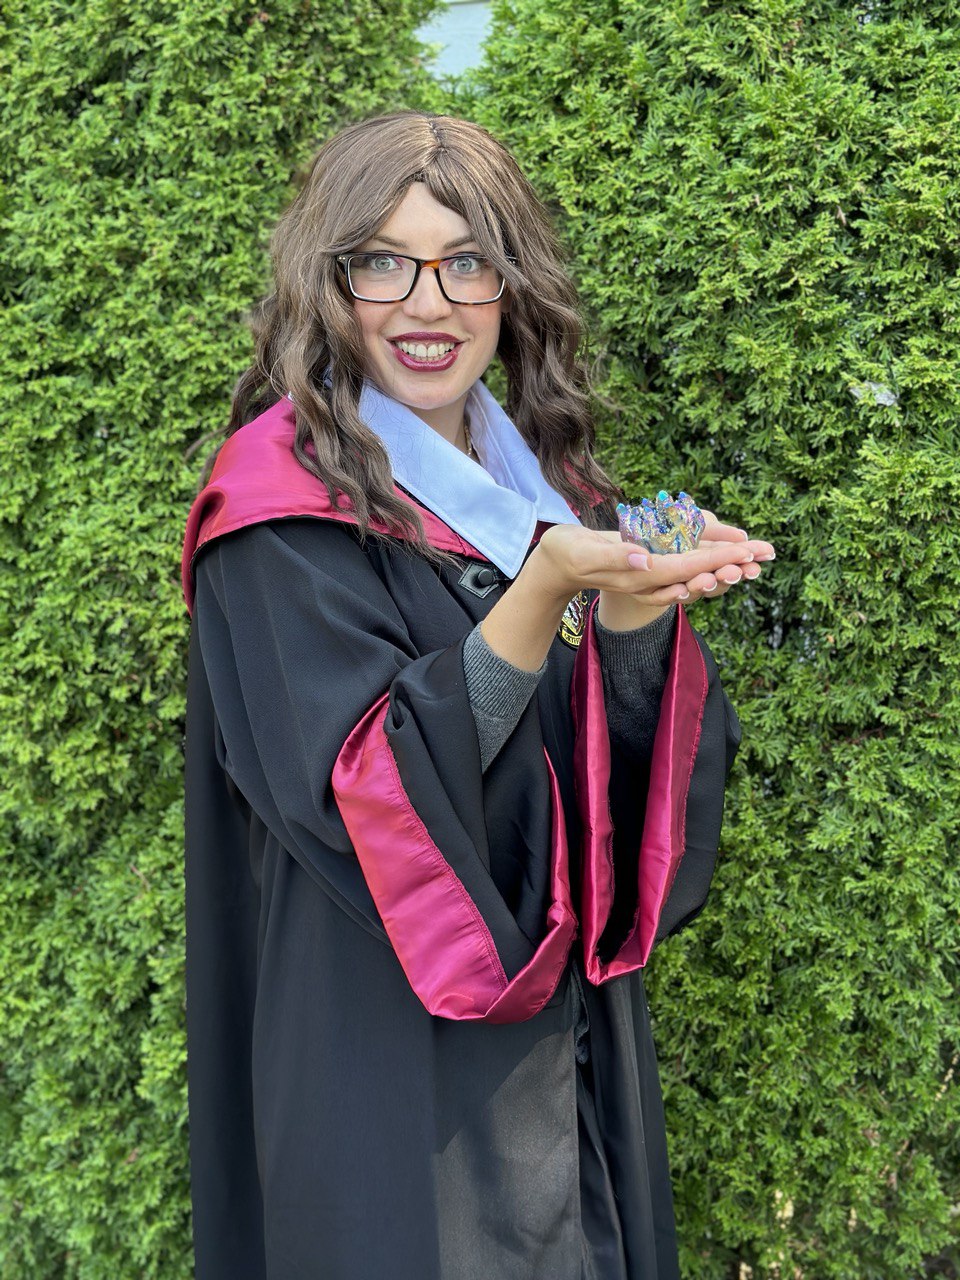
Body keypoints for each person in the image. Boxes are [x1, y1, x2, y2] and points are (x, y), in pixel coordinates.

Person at [181, 111, 774, 1280]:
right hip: (392, 1082)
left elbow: (613, 810)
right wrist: (544, 586)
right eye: (383, 261)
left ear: (511, 289)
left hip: (571, 1062)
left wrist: (635, 614)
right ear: (329, 280)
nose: (427, 301)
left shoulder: (541, 491)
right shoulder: (274, 513)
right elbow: (369, 800)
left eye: (467, 261)